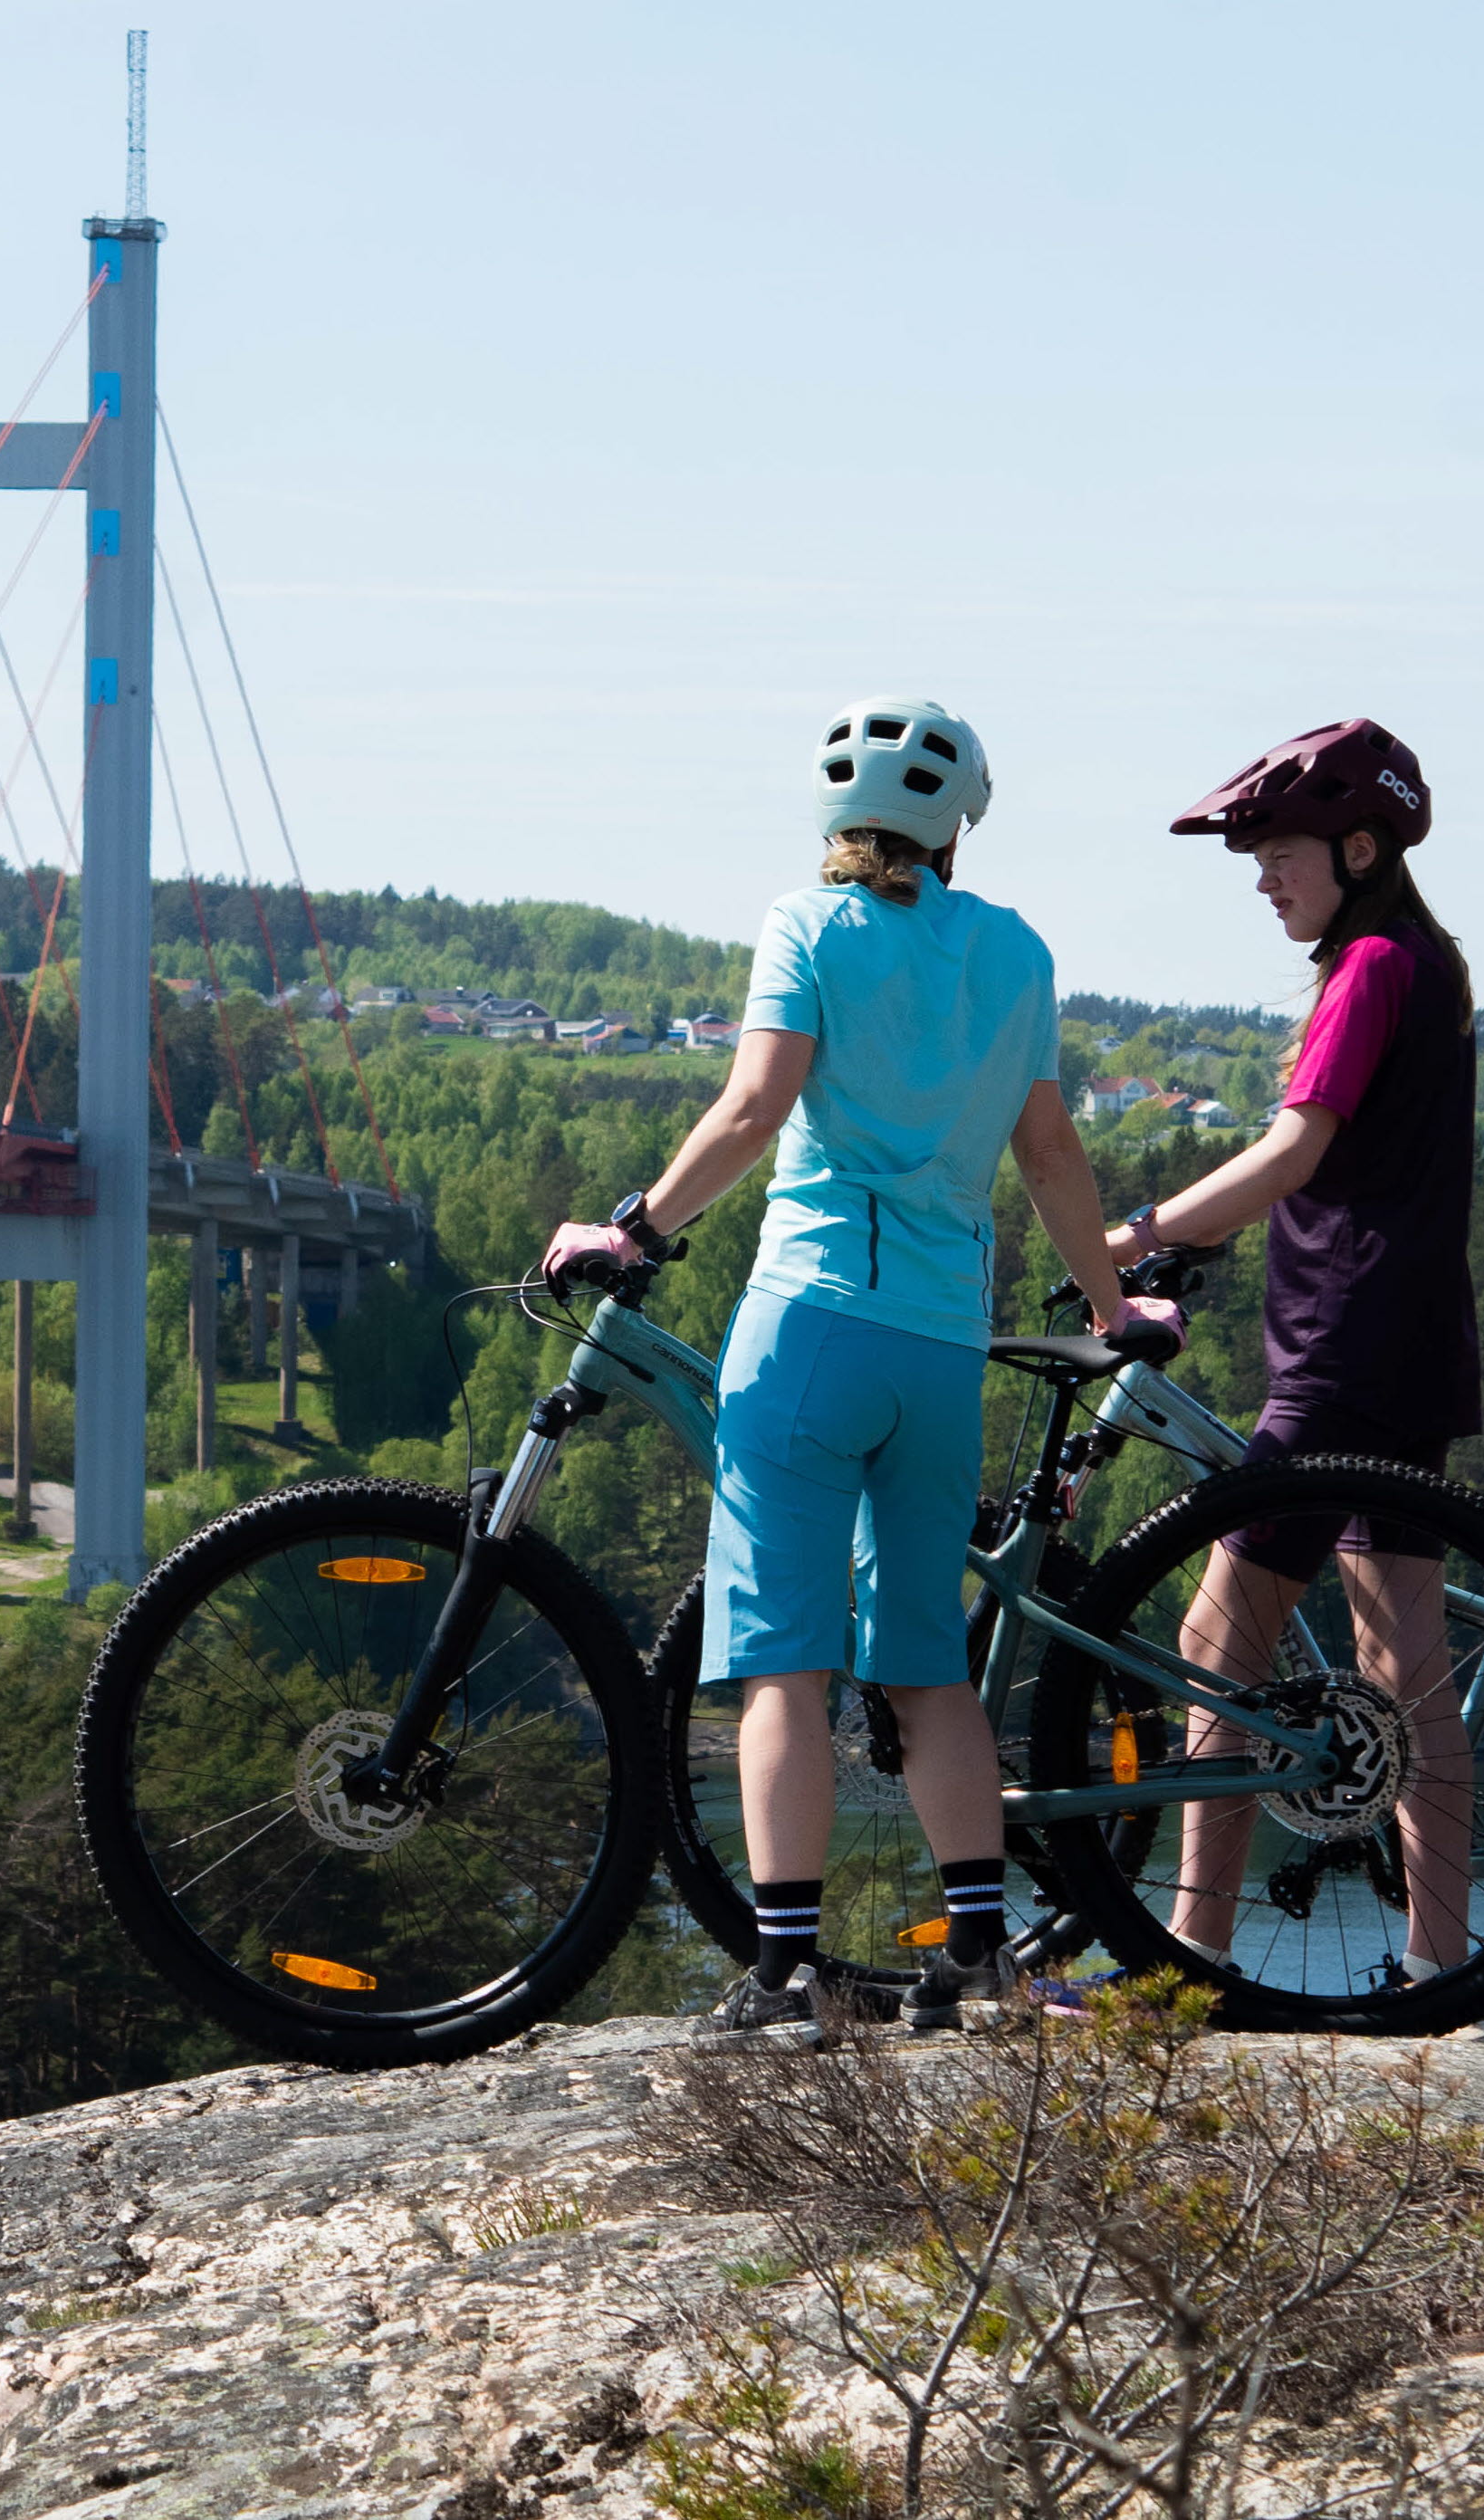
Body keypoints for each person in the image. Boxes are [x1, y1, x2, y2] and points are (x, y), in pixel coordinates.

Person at [542, 698, 1174, 2033]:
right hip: (942, 1347)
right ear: (960, 826)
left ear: (833, 815)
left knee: (784, 1660)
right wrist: (1116, 1307)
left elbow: (755, 1106)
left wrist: (635, 1228)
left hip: (811, 1324)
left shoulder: (806, 926)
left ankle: (783, 1974)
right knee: (926, 1667)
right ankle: (979, 1964)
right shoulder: (1014, 953)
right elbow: (1050, 1157)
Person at [1095, 718, 1484, 1987]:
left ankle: (1190, 1954)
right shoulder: (1424, 961)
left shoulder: (1368, 965)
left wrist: (1132, 1234)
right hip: (1410, 1336)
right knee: (1402, 1664)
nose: (1261, 875)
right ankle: (1440, 1967)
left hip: (1342, 1343)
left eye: (1279, 852)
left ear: (1358, 847)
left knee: (1221, 1639)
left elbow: (1292, 1156)